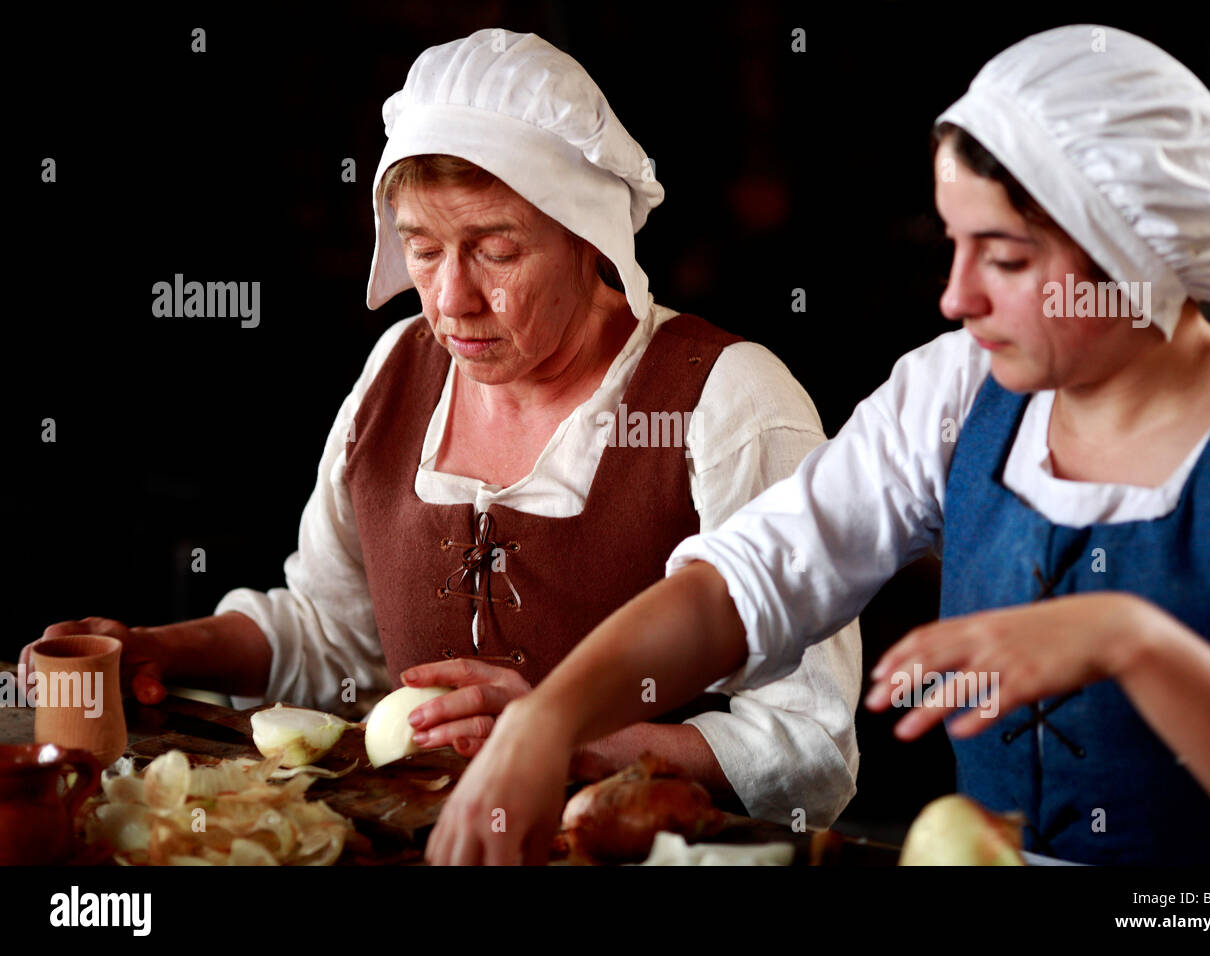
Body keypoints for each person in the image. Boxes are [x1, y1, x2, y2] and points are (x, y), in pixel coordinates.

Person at [427, 24, 1210, 865]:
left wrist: (1131, 642)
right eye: (953, 244)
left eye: (1003, 258)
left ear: (1132, 251)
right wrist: (551, 722)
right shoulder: (957, 393)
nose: (957, 297)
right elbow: (744, 584)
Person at [24, 29, 861, 827]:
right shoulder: (399, 370)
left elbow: (807, 743)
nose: (452, 301)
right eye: (423, 249)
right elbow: (335, 635)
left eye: (495, 251)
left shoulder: (730, 401)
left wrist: (565, 740)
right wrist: (160, 648)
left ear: (587, 238)